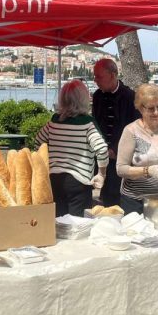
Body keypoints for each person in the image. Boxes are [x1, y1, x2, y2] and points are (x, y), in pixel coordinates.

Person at [35, 79, 109, 216]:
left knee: (58, 224)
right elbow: (102, 148)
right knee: (77, 226)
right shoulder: (88, 123)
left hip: (54, 180)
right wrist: (101, 174)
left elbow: (38, 142)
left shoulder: (54, 121)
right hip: (79, 181)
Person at [116, 84, 158, 214]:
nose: (156, 112)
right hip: (135, 201)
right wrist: (147, 171)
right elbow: (121, 169)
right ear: (141, 109)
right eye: (151, 108)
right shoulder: (131, 131)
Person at [92, 58, 140, 206]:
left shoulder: (130, 97)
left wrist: (114, 149)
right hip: (101, 156)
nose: (95, 80)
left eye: (99, 76)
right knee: (103, 196)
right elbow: (96, 124)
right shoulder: (97, 96)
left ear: (113, 75)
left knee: (116, 199)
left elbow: (135, 129)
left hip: (121, 159)